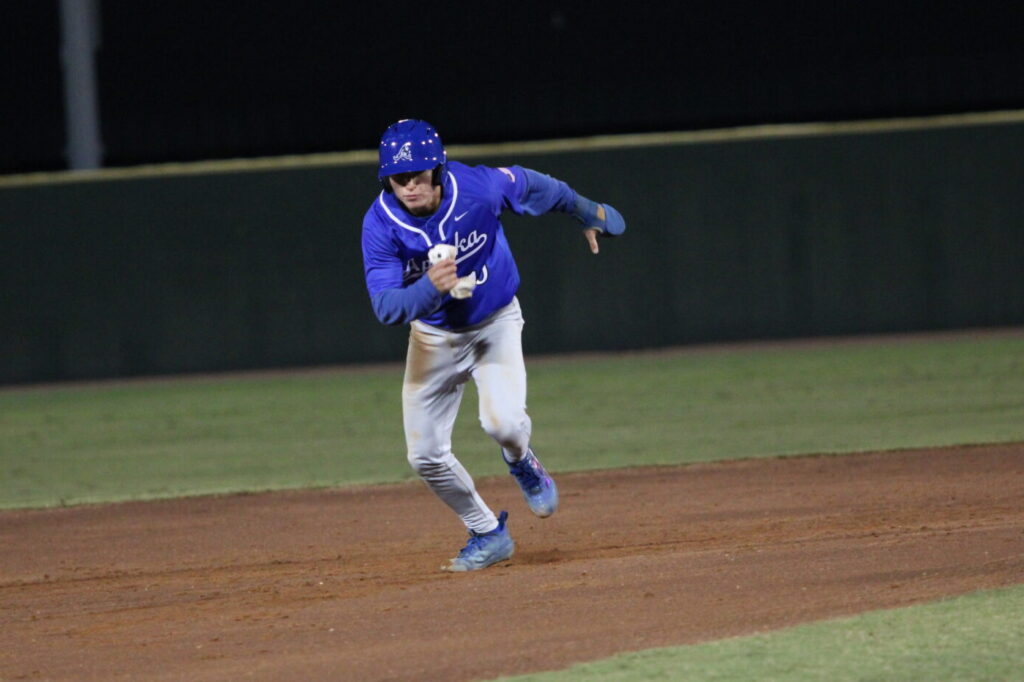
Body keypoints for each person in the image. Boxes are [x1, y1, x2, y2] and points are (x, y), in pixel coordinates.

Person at [360, 119, 625, 572]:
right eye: (398, 178)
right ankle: (487, 531)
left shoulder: (477, 189)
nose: (408, 186)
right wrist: (429, 289)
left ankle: (521, 460)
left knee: (502, 424)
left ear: (438, 171)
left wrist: (586, 210)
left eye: (417, 175)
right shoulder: (380, 225)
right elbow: (386, 306)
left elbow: (534, 185)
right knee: (423, 455)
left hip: (495, 323)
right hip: (434, 337)